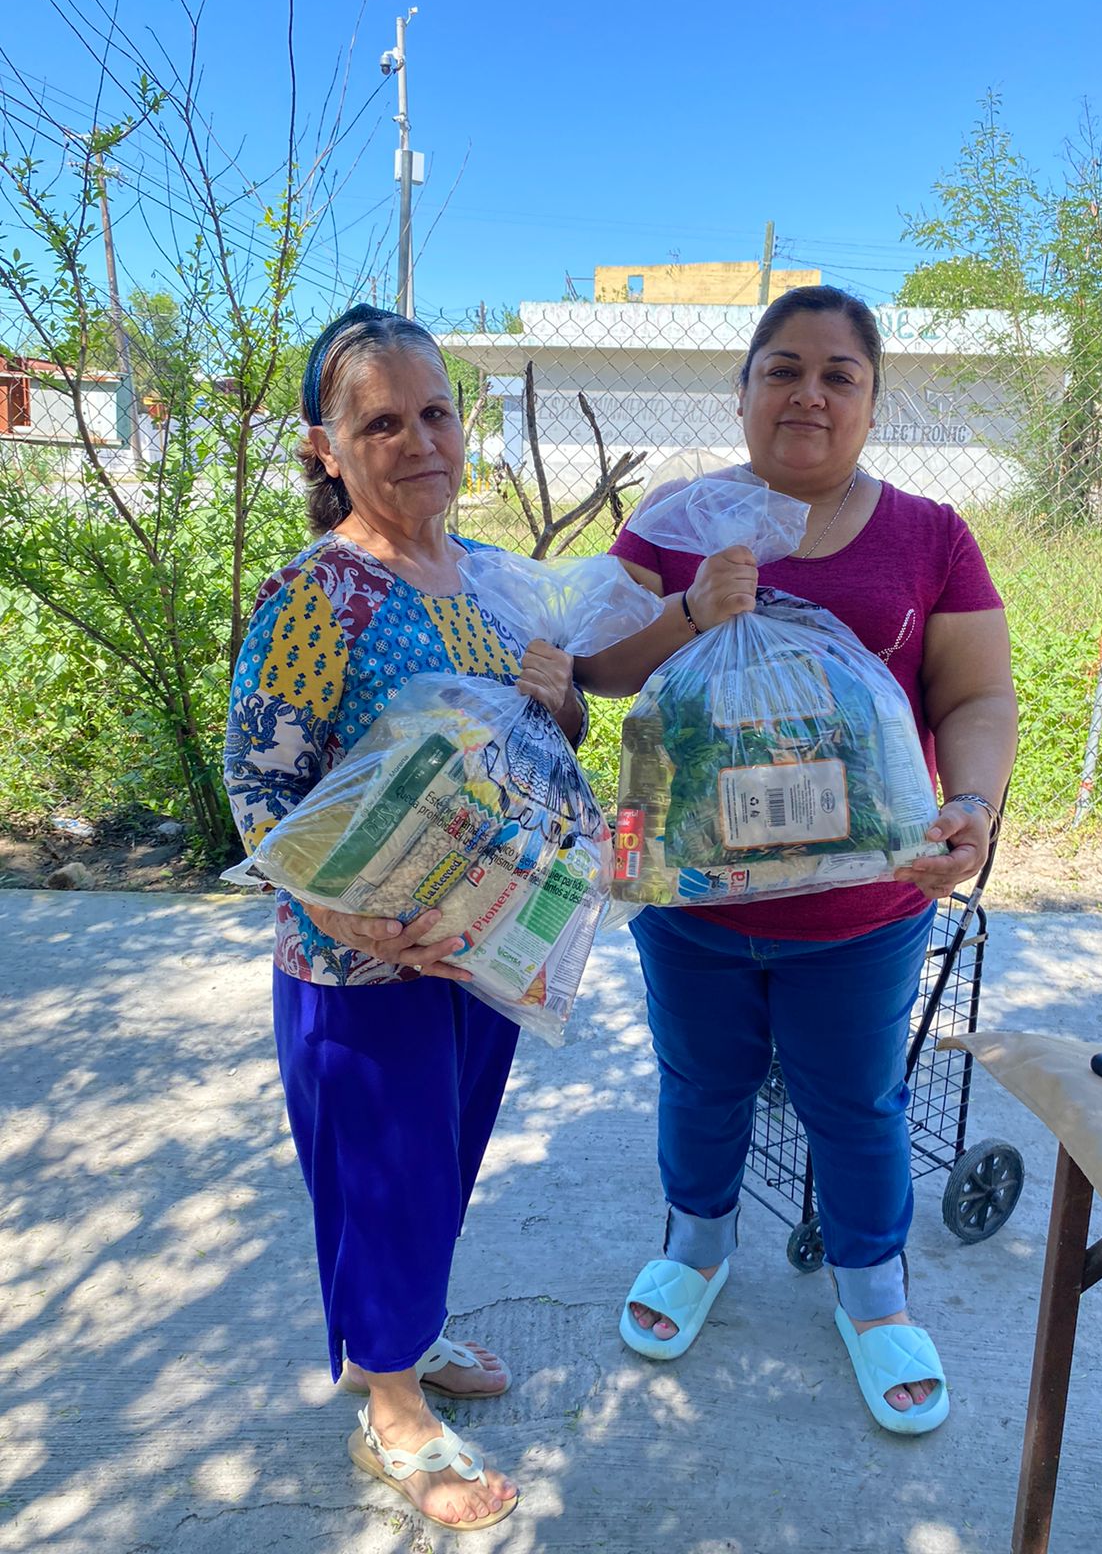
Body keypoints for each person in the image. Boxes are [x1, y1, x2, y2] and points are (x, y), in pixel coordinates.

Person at [575, 285, 1018, 1435]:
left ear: (873, 401)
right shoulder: (678, 518)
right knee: (700, 1079)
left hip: (863, 910)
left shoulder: (930, 535)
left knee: (857, 1100)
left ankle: (875, 1295)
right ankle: (696, 1246)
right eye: (782, 368)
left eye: (838, 373)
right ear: (742, 391)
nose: (808, 392)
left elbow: (976, 696)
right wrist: (691, 611)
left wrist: (969, 804)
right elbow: (598, 669)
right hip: (690, 898)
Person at [224, 305, 583, 1529]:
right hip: (363, 970)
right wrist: (361, 921)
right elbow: (259, 795)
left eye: (435, 412)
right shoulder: (317, 597)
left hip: (480, 950)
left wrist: (559, 697)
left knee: (439, 1169)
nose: (420, 440)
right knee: (384, 1183)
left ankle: (406, 1337)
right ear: (326, 448)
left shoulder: (486, 578)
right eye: (382, 422)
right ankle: (390, 1409)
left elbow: (535, 743)